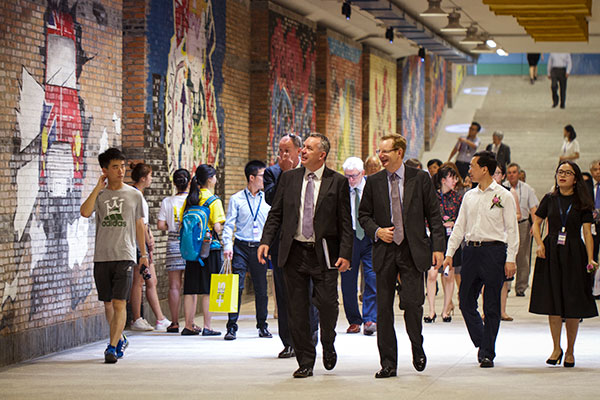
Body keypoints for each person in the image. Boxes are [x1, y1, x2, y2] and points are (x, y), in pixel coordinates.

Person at [258, 133, 353, 378]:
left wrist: (345, 254)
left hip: (325, 254)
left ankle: (328, 342)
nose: (303, 151)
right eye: (304, 147)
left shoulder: (337, 182)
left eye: (309, 148)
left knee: (327, 305)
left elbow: (345, 222)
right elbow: (276, 214)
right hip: (295, 252)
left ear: (322, 155)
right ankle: (305, 360)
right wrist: (266, 241)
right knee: (297, 309)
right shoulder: (289, 179)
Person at [359, 134, 445, 378]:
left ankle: (417, 347)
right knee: (384, 309)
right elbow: (363, 215)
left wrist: (438, 247)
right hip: (385, 250)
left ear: (399, 152)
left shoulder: (420, 179)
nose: (381, 155)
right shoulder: (373, 181)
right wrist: (377, 231)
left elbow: (434, 215)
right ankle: (388, 363)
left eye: (385, 151)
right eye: (379, 151)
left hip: (412, 250)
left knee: (412, 304)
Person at [444, 151, 519, 368]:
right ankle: (483, 340)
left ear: (484, 169)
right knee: (466, 301)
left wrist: (511, 258)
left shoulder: (503, 195)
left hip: (494, 253)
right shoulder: (469, 196)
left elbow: (512, 230)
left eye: (473, 166)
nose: (469, 170)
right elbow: (459, 227)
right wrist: (450, 254)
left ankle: (487, 352)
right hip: (471, 252)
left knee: (492, 304)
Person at [80, 148, 146, 363]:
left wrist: (143, 255)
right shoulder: (100, 195)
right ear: (105, 170)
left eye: (122, 166)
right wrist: (98, 187)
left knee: (119, 303)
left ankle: (112, 346)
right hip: (102, 256)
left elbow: (139, 226)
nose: (121, 170)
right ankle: (119, 339)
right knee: (107, 304)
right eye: (115, 167)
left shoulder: (134, 194)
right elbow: (85, 212)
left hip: (125, 254)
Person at [530, 161, 598, 367]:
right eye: (560, 172)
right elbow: (536, 223)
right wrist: (539, 244)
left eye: (568, 173)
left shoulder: (582, 202)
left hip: (574, 252)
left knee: (572, 302)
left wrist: (590, 258)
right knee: (553, 301)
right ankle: (556, 347)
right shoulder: (550, 199)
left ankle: (570, 350)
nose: (563, 176)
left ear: (575, 178)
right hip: (551, 251)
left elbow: (587, 232)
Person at [263, 133, 318, 359]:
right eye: (281, 150)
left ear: (298, 151)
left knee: (310, 294)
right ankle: (288, 342)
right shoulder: (272, 173)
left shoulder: (310, 173)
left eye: (288, 150)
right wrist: (285, 174)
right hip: (283, 246)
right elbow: (272, 201)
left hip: (309, 243)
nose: (283, 155)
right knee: (285, 295)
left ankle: (310, 338)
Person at [222, 160, 272, 340]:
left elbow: (271, 225)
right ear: (252, 178)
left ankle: (262, 325)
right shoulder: (237, 199)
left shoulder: (267, 199)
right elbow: (229, 225)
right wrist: (227, 246)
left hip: (260, 248)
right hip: (241, 247)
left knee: (261, 288)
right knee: (237, 287)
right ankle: (231, 326)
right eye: (262, 176)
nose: (265, 180)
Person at [180, 164, 225, 336]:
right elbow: (218, 227)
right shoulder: (213, 200)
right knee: (207, 289)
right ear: (209, 179)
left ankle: (189, 325)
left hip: (191, 250)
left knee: (190, 289)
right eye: (214, 176)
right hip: (209, 249)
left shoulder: (190, 199)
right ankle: (207, 326)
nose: (216, 179)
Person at [129, 163, 170, 332]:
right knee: (139, 281)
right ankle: (137, 318)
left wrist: (149, 236)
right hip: (140, 245)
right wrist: (148, 241)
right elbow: (141, 224)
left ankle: (159, 318)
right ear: (143, 178)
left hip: (143, 244)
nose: (152, 179)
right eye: (150, 176)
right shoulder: (136, 196)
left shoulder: (137, 195)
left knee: (151, 280)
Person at [341, 157, 377, 335]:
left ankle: (370, 318)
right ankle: (354, 320)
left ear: (362, 173)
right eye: (347, 176)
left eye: (353, 176)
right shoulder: (342, 189)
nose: (350, 180)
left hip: (369, 238)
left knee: (372, 277)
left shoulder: (372, 187)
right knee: (348, 280)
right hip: (350, 239)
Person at [425, 166, 462, 323]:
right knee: (432, 274)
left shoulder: (458, 198)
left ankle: (446, 310)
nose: (454, 181)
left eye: (455, 178)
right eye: (451, 177)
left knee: (449, 275)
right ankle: (431, 310)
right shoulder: (432, 196)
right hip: (434, 238)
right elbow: (426, 216)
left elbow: (462, 218)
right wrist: (439, 224)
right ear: (442, 180)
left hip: (452, 239)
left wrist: (453, 223)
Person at [157, 168, 191, 333]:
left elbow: (160, 225)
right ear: (189, 182)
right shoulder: (193, 200)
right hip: (189, 244)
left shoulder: (167, 201)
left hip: (172, 243)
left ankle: (175, 322)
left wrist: (171, 224)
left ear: (174, 183)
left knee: (174, 285)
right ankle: (189, 322)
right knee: (190, 285)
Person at [505, 163, 539, 297]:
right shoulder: (503, 187)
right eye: (509, 172)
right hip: (507, 226)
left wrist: (534, 225)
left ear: (519, 174)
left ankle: (521, 287)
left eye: (514, 172)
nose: (512, 175)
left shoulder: (527, 189)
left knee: (523, 256)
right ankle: (506, 284)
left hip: (523, 224)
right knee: (507, 253)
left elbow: (533, 209)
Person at [493, 164, 521, 322]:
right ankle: (487, 309)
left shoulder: (509, 193)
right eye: (494, 173)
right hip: (490, 239)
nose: (496, 175)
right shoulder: (482, 192)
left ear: (503, 176)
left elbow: (518, 214)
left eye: (498, 173)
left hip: (504, 238)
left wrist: (505, 218)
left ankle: (502, 310)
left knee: (504, 280)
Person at [585, 160, 600, 262]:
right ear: (591, 172)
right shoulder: (587, 187)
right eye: (595, 170)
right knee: (592, 253)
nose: (598, 172)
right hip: (593, 224)